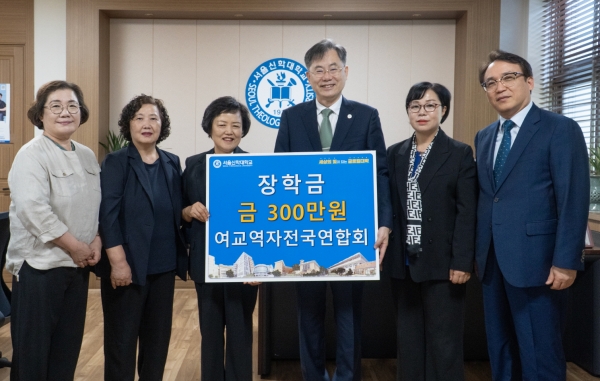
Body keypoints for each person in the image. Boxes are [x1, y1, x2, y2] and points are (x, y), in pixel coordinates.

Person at [274, 39, 392, 381]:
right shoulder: (292, 117)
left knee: (348, 313)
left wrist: (384, 223)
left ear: (346, 71)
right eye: (319, 70)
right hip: (306, 233)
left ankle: (347, 376)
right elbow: (280, 175)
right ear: (308, 76)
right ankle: (313, 375)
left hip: (350, 233)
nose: (327, 76)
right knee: (307, 311)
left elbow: (379, 173)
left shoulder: (367, 115)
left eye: (333, 68)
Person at [474, 50, 589, 380]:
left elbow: (573, 198)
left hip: (539, 262)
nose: (500, 87)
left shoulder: (559, 128)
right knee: (500, 347)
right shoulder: (484, 137)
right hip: (492, 262)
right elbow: (489, 198)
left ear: (529, 82)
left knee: (540, 350)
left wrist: (566, 260)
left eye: (508, 78)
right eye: (491, 82)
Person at [7, 80, 101, 380]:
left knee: (66, 350)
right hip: (40, 268)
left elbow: (94, 205)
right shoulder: (31, 154)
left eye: (72, 105)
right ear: (41, 114)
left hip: (77, 267)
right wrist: (75, 246)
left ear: (81, 112)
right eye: (56, 106)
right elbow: (33, 210)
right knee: (33, 355)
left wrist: (96, 239)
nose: (65, 112)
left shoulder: (86, 155)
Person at [385, 82, 477, 381]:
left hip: (443, 262)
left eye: (430, 105)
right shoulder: (394, 153)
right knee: (408, 340)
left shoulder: (460, 153)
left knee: (444, 341)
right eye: (415, 106)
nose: (422, 112)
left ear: (443, 110)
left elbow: (467, 212)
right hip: (405, 261)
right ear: (408, 112)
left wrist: (462, 261)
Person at [97, 94, 188, 381]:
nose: (147, 124)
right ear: (129, 125)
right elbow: (107, 215)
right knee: (122, 343)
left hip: (163, 266)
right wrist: (118, 261)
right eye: (139, 118)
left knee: (157, 342)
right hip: (127, 267)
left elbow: (177, 209)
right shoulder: (116, 162)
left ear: (163, 125)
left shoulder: (172, 162)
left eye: (154, 118)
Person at [182, 96, 258, 381]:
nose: (229, 131)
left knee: (240, 332)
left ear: (243, 130)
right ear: (210, 127)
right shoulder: (193, 165)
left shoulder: (255, 165)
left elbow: (265, 219)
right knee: (210, 332)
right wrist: (189, 210)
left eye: (235, 125)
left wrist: (259, 264)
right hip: (206, 262)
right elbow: (180, 209)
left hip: (245, 266)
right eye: (222, 124)